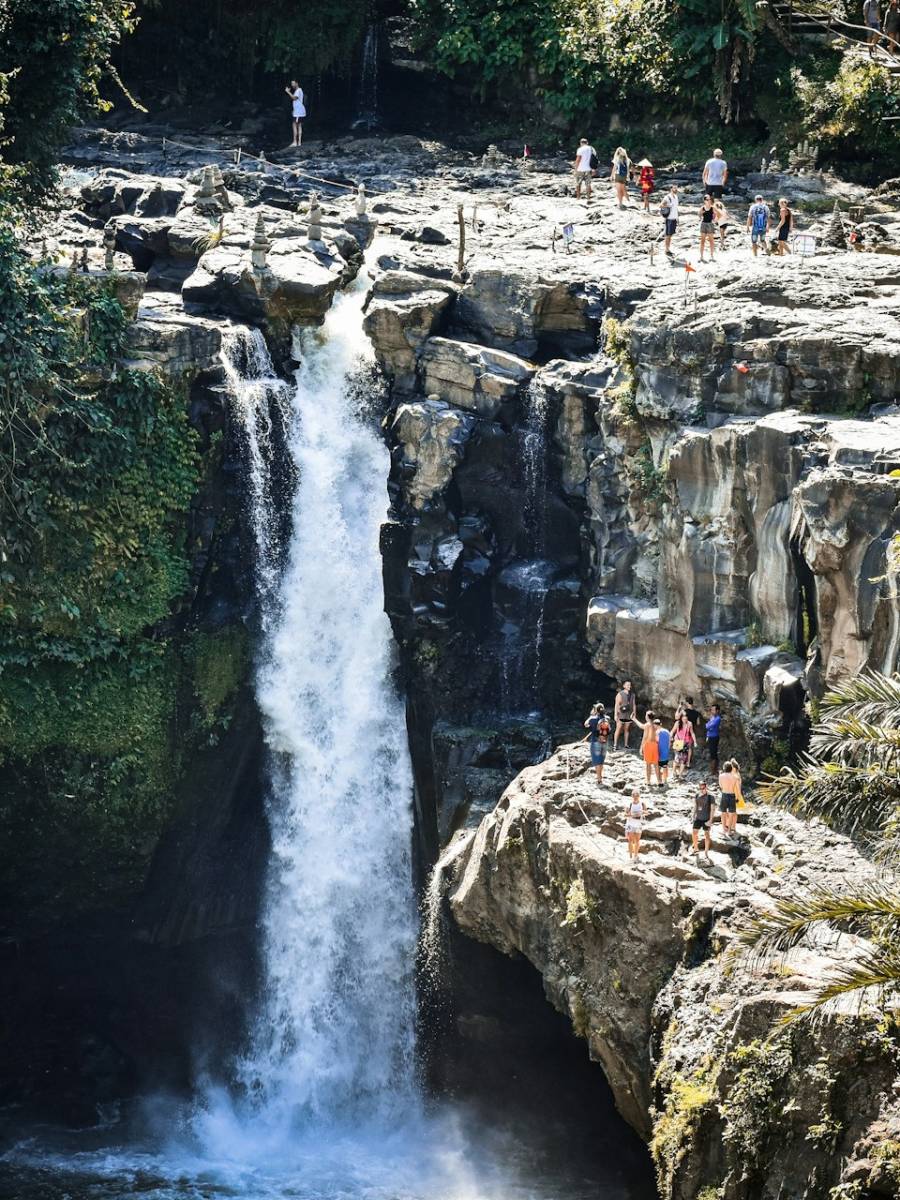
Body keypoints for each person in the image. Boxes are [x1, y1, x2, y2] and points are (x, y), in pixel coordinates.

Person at [583, 702, 612, 783]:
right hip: (605, 742)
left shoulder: (593, 718)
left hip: (595, 741)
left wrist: (591, 715)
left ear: (596, 710)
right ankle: (600, 776)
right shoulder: (607, 718)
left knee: (596, 761)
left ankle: (599, 778)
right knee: (601, 761)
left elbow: (586, 724)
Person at [634, 709, 662, 787]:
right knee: (656, 764)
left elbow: (645, 737)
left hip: (648, 745)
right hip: (655, 745)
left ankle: (648, 781)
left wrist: (641, 748)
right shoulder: (655, 725)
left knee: (648, 764)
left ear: (647, 717)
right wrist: (634, 719)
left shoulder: (647, 725)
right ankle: (659, 781)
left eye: (646, 715)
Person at [718, 759, 744, 840]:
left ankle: (724, 830)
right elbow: (737, 789)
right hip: (732, 795)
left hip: (724, 794)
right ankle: (729, 830)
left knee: (723, 812)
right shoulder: (735, 777)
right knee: (732, 813)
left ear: (724, 768)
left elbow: (721, 786)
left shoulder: (721, 776)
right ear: (731, 768)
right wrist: (738, 798)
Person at [692, 781, 714, 864]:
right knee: (694, 832)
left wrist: (710, 821)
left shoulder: (710, 797)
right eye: (700, 788)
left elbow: (712, 809)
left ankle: (706, 852)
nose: (702, 790)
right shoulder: (697, 795)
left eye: (703, 788)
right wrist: (693, 814)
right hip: (698, 818)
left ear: (706, 787)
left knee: (707, 835)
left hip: (706, 819)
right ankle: (696, 849)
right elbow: (695, 805)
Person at [671, 713, 695, 780]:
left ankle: (680, 775)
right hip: (678, 741)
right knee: (677, 758)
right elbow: (673, 731)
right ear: (681, 718)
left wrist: (694, 741)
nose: (685, 720)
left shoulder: (689, 724)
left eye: (686, 719)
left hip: (685, 742)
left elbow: (692, 732)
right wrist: (670, 737)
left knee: (684, 759)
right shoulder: (677, 723)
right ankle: (673, 772)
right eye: (684, 718)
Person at [614, 680, 636, 750]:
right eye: (627, 685)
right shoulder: (620, 694)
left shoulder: (632, 694)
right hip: (621, 714)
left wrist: (634, 713)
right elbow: (617, 705)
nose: (629, 686)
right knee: (618, 729)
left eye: (630, 685)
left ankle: (626, 745)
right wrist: (615, 715)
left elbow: (634, 704)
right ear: (624, 686)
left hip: (629, 714)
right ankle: (615, 745)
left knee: (627, 729)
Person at [624, 788, 645, 861]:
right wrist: (633, 815)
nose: (635, 796)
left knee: (637, 840)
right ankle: (630, 856)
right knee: (630, 840)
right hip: (631, 824)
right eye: (634, 795)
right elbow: (625, 815)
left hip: (638, 824)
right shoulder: (629, 804)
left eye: (637, 795)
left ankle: (635, 855)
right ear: (632, 796)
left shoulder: (642, 803)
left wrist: (641, 813)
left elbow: (647, 812)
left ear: (639, 796)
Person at [285, 80, 306, 147]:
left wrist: (288, 92)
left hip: (298, 112)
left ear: (297, 83)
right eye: (291, 83)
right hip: (298, 111)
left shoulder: (298, 91)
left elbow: (294, 98)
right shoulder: (299, 90)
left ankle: (295, 142)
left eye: (293, 83)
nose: (292, 85)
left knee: (294, 125)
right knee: (299, 125)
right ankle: (299, 142)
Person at [661, 184, 679, 256]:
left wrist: (677, 218)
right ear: (671, 189)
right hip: (669, 219)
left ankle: (668, 249)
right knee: (668, 235)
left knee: (670, 235)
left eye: (676, 188)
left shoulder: (676, 197)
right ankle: (666, 250)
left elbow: (676, 208)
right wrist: (669, 205)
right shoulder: (668, 197)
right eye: (674, 188)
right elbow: (661, 205)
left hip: (674, 218)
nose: (676, 190)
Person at [699, 194, 717, 262]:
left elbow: (715, 215)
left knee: (711, 240)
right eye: (707, 199)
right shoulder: (702, 207)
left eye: (709, 199)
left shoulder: (712, 208)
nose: (709, 201)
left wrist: (714, 219)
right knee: (702, 241)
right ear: (704, 201)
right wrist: (701, 214)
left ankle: (712, 255)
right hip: (703, 224)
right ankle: (701, 256)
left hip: (710, 224)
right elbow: (699, 215)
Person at [705, 704, 721, 774]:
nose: (712, 711)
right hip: (710, 736)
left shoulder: (718, 718)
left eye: (713, 710)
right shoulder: (712, 718)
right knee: (712, 753)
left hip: (714, 737)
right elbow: (707, 725)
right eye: (711, 710)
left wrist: (709, 725)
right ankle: (714, 769)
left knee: (713, 753)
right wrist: (709, 725)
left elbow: (708, 726)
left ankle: (714, 770)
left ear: (717, 711)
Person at [655, 719, 671, 785]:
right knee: (665, 766)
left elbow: (657, 741)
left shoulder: (657, 732)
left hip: (659, 751)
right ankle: (665, 780)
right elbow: (670, 741)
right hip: (666, 751)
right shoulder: (667, 731)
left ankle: (660, 781)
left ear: (655, 725)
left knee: (658, 767)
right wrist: (668, 749)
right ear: (660, 724)